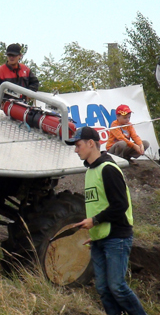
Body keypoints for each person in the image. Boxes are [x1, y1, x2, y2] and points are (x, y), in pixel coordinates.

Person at [65, 127, 147, 315]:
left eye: (78, 145)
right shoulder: (90, 172)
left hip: (117, 237)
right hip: (100, 238)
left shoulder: (108, 169)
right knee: (103, 289)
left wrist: (94, 221)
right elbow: (98, 205)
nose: (76, 150)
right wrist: (95, 233)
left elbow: (120, 205)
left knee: (117, 286)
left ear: (90, 143)